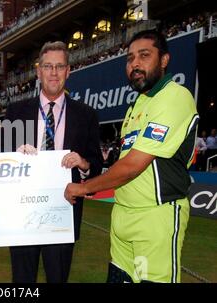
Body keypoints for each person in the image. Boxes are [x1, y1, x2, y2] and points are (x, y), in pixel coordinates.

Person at [65, 30, 199, 283]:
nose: (135, 64)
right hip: (122, 216)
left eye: (144, 56)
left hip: (155, 217)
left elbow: (133, 165)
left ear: (164, 60)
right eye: (130, 59)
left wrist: (83, 188)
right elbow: (121, 164)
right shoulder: (136, 105)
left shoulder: (174, 97)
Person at [3, 41, 103, 283]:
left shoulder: (86, 114)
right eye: (48, 66)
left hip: (62, 213)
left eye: (60, 66)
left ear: (68, 71)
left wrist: (83, 162)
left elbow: (97, 164)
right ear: (39, 71)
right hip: (22, 213)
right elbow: (0, 161)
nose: (54, 73)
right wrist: (14, 156)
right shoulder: (15, 112)